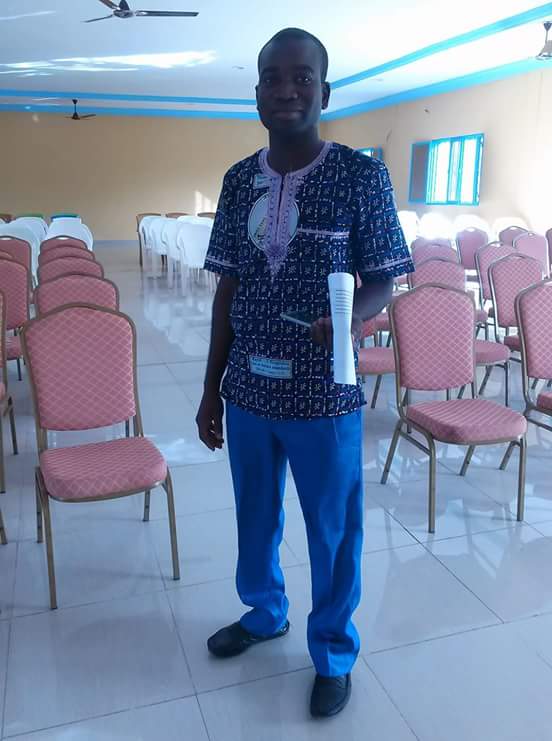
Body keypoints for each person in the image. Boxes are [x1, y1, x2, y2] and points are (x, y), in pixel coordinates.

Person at [196, 27, 414, 718]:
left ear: (325, 90)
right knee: (255, 515)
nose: (286, 89)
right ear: (256, 91)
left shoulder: (360, 175)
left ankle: (333, 651)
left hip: (324, 391)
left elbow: (385, 280)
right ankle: (265, 612)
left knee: (331, 529)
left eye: (301, 77)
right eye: (272, 77)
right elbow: (228, 288)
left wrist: (348, 322)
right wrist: (210, 389)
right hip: (248, 389)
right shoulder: (238, 181)